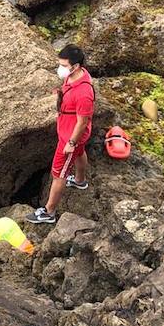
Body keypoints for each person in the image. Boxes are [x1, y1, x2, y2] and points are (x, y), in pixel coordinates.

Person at [29, 45, 94, 225]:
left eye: (64, 65)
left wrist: (71, 142)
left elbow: (82, 121)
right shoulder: (74, 78)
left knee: (59, 173)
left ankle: (49, 212)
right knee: (80, 152)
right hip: (69, 131)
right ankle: (80, 180)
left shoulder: (84, 93)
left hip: (70, 137)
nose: (60, 69)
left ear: (76, 66)